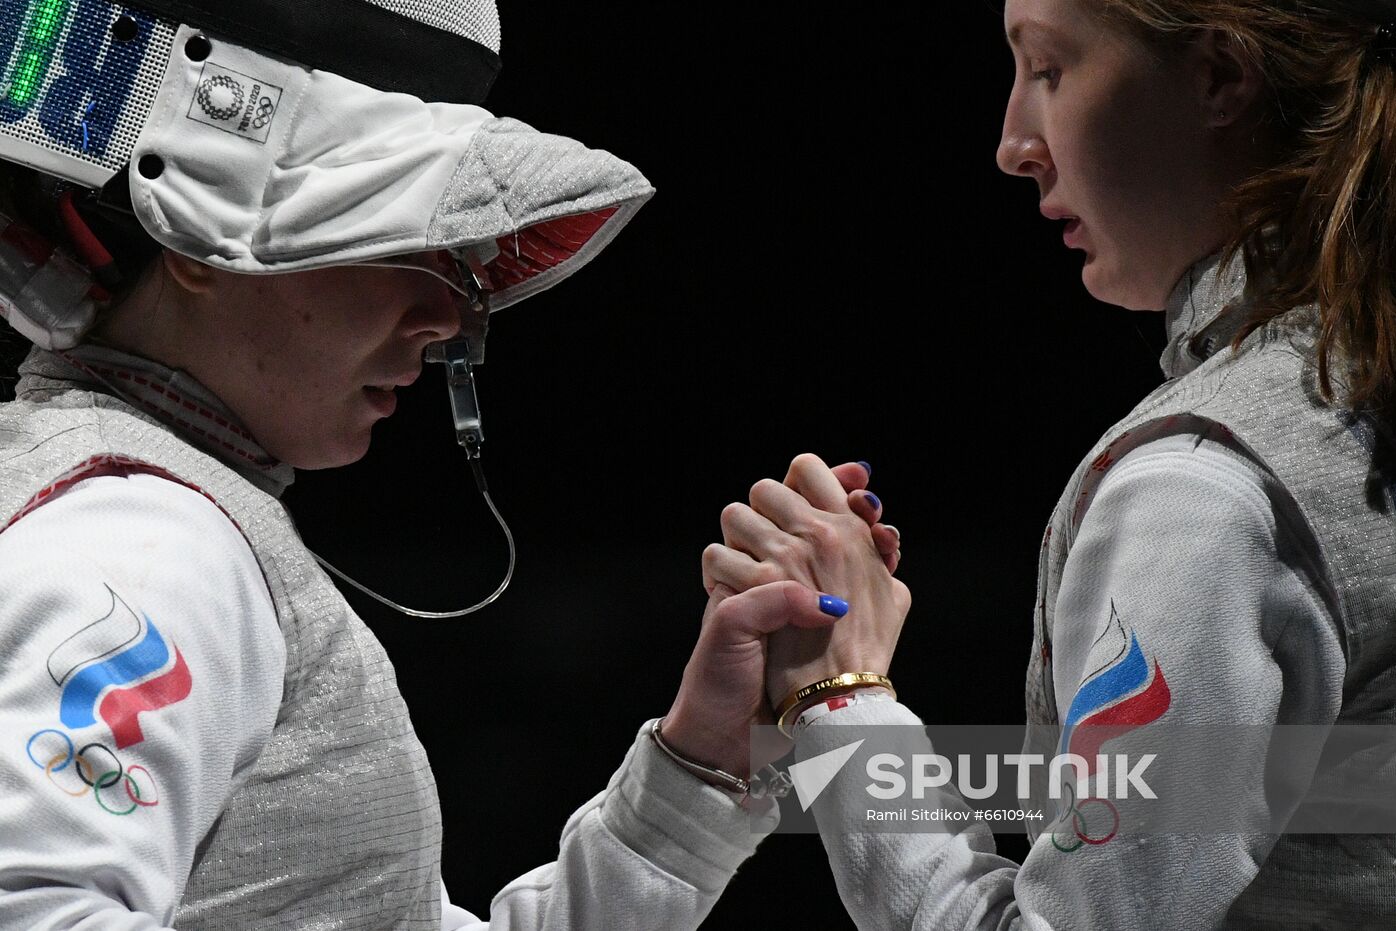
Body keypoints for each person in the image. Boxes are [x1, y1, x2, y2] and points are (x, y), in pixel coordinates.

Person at [0, 1, 910, 928]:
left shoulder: (163, 514)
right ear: (203, 214)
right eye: (403, 242)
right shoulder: (139, 547)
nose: (449, 323)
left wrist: (700, 763)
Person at [702, 0, 1396, 927]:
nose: (1014, 142)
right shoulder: (1356, 393)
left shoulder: (1200, 490)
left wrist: (839, 690)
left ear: (1220, 76)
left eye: (1049, 69)